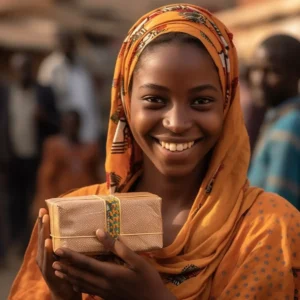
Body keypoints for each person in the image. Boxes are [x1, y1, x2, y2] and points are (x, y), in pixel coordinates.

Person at [9, 4, 300, 300]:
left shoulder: (268, 230)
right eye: (154, 99)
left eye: (201, 101)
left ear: (227, 105)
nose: (176, 123)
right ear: (125, 102)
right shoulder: (72, 220)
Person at [0, 53, 59, 254]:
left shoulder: (44, 92)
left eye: (26, 69)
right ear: (13, 71)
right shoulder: (5, 92)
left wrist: (44, 118)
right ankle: (13, 243)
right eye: (19, 70)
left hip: (37, 158)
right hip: (11, 158)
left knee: (35, 201)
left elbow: (58, 123)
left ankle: (30, 242)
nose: (23, 74)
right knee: (11, 202)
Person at [248, 34, 300, 210]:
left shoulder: (289, 126)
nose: (259, 80)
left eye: (272, 71)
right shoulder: (277, 118)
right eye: (255, 69)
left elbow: (276, 209)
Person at [31, 110, 104, 220]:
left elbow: (97, 177)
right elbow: (46, 178)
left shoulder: (90, 149)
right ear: (63, 124)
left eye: (74, 124)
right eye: (69, 123)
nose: (72, 127)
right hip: (60, 203)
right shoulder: (54, 147)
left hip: (85, 204)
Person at [38, 29, 100, 143]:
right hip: (63, 131)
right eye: (64, 42)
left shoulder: (82, 66)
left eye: (70, 42)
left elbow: (90, 100)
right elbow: (45, 103)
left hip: (87, 129)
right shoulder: (50, 67)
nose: (67, 45)